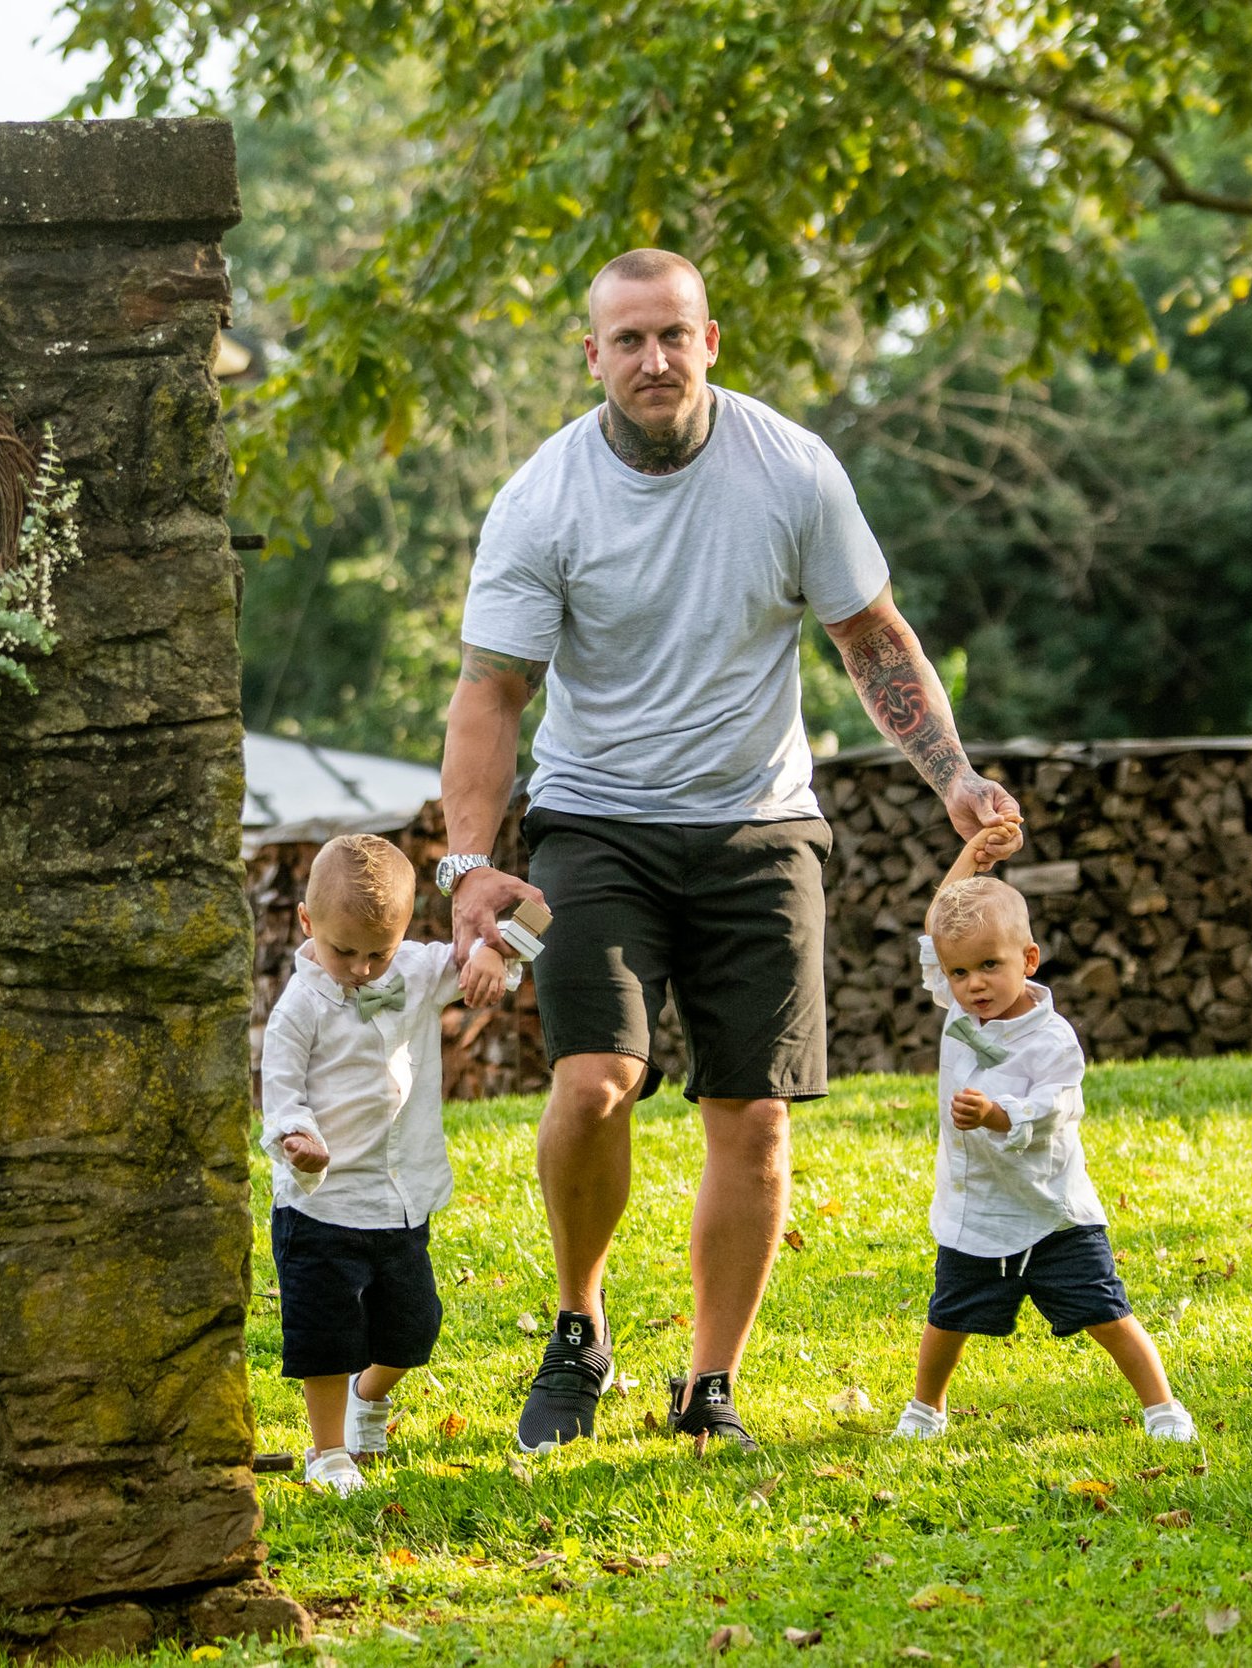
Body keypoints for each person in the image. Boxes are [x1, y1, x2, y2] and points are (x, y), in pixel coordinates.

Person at [438, 248, 1025, 1455]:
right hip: (594, 823)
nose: (654, 359)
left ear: (711, 341)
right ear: (591, 356)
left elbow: (871, 634)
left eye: (674, 335)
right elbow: (494, 690)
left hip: (761, 827)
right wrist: (465, 864)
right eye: (629, 339)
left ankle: (709, 1387)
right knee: (595, 1081)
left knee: (751, 1115)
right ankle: (578, 1328)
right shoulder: (543, 499)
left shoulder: (791, 469)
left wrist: (954, 775)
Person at [893, 822, 1195, 1443]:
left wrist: (997, 1116)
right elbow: (936, 929)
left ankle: (1163, 1409)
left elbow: (1053, 1110)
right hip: (978, 1212)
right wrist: (969, 861)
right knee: (947, 1318)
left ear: (1028, 960)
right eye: (958, 972)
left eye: (989, 966)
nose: (973, 984)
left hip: (1053, 1215)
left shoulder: (1052, 1039)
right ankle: (925, 1411)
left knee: (1108, 1315)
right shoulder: (958, 1009)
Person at [259, 834, 524, 1496]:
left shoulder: (414, 971)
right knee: (326, 1335)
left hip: (400, 1197)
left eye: (378, 952)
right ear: (307, 923)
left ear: (405, 933)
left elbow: (533, 918)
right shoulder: (300, 1009)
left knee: (413, 1329)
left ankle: (367, 1397)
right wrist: (300, 1138)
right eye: (343, 951)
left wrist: (494, 951)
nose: (360, 969)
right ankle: (327, 1453)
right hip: (319, 1203)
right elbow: (282, 1094)